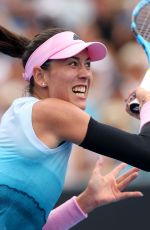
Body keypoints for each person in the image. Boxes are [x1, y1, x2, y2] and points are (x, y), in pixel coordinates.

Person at [0, 25, 150, 229]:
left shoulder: (29, 115)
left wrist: (85, 202)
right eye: (72, 64)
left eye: (87, 64)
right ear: (41, 76)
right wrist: (147, 103)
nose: (85, 74)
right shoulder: (50, 112)